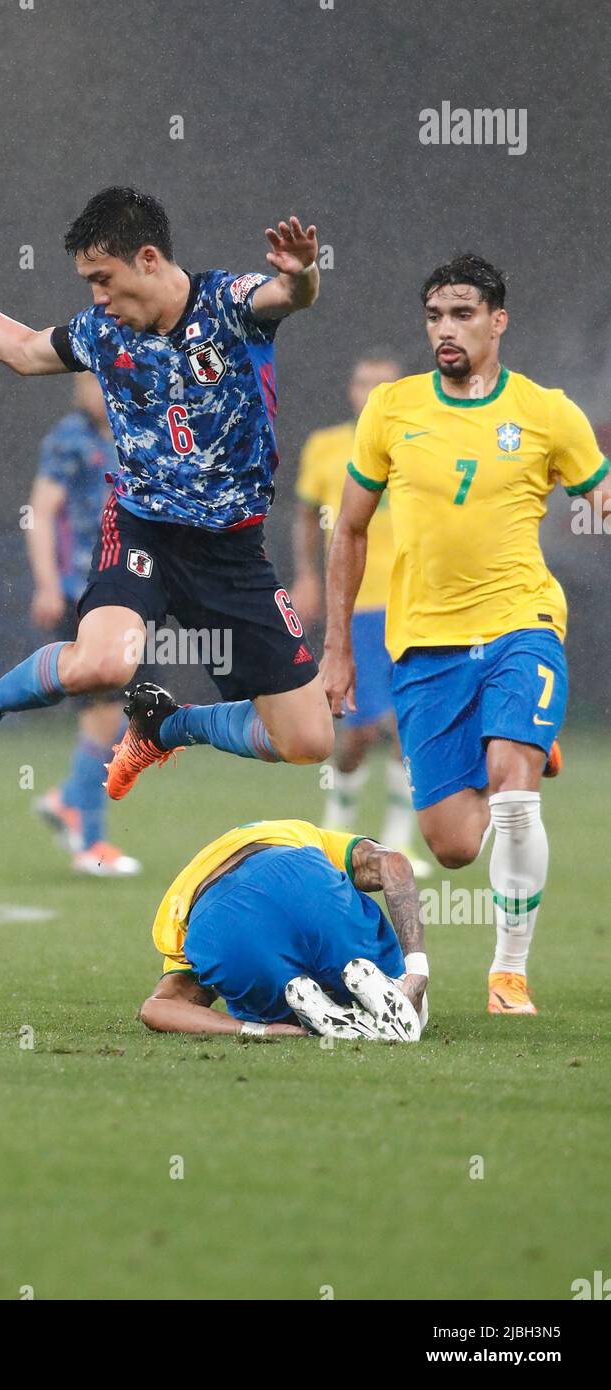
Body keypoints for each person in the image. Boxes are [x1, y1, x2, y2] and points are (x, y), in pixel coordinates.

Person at [0, 187, 334, 798]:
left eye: (103, 278)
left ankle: (166, 728)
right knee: (104, 663)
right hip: (142, 528)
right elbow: (19, 349)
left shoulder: (228, 303)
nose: (97, 297)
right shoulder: (103, 332)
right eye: (89, 282)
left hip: (233, 550)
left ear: (148, 259)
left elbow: (289, 295)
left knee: (309, 742)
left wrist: (303, 271)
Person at [321, 253, 611, 1015]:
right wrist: (337, 646)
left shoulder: (548, 411)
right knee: (450, 844)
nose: (444, 330)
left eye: (461, 314)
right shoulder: (392, 408)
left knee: (515, 798)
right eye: (434, 316)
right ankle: (521, 740)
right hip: (424, 645)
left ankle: (508, 972)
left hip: (523, 622)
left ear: (497, 321)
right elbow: (348, 530)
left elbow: (599, 490)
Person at [291, 352, 430, 875]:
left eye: (383, 384)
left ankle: (396, 841)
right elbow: (307, 517)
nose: (372, 392)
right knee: (359, 731)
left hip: (417, 605)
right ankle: (339, 824)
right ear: (350, 390)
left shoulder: (422, 442)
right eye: (363, 382)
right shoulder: (326, 446)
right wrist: (306, 574)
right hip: (357, 607)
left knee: (407, 725)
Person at [139, 819, 428, 1039]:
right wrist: (417, 970)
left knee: (266, 997)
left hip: (214, 921)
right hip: (298, 875)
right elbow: (395, 864)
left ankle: (303, 1014)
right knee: (403, 989)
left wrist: (257, 1030)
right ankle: (390, 984)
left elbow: (155, 1009)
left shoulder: (177, 908)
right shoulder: (307, 835)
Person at [29, 374, 140, 876]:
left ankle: (69, 798)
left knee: (122, 717)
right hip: (83, 591)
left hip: (132, 591)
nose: (88, 388)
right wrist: (48, 584)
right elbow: (40, 511)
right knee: (104, 711)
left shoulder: (139, 427)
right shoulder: (69, 438)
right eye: (83, 380)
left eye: (97, 378)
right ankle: (90, 841)